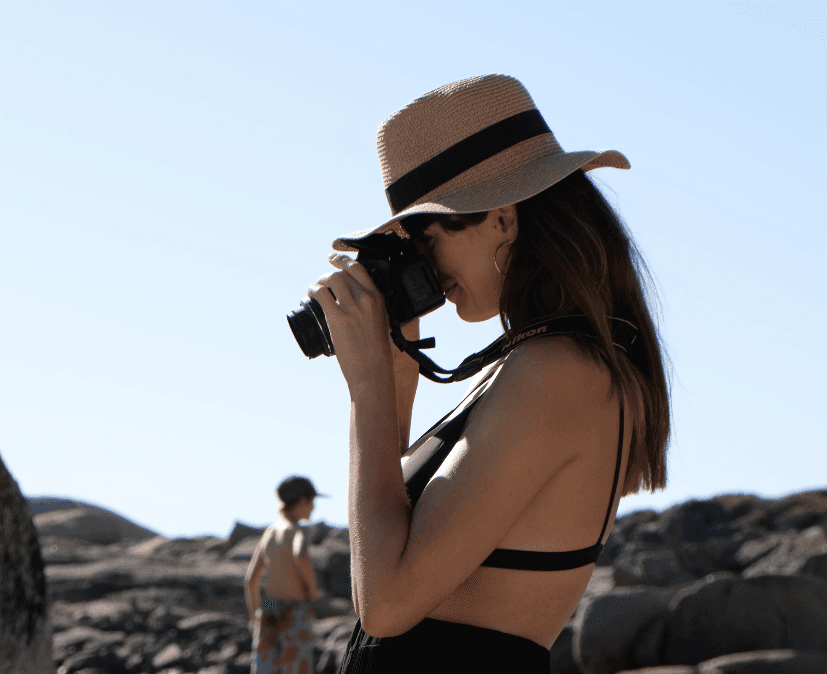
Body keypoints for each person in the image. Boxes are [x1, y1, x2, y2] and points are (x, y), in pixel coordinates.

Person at [305, 74, 671, 673]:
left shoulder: (557, 372)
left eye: (424, 237)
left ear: (501, 219)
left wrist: (368, 390)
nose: (423, 264)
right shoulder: (537, 364)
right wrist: (395, 380)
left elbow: (388, 603)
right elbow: (395, 540)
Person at [244, 475, 328, 674]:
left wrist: (255, 615)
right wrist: (312, 590)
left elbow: (250, 580)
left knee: (265, 666)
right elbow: (301, 555)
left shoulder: (270, 532)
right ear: (301, 501)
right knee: (297, 666)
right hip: (295, 607)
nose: (313, 508)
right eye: (312, 502)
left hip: (269, 606)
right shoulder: (298, 531)